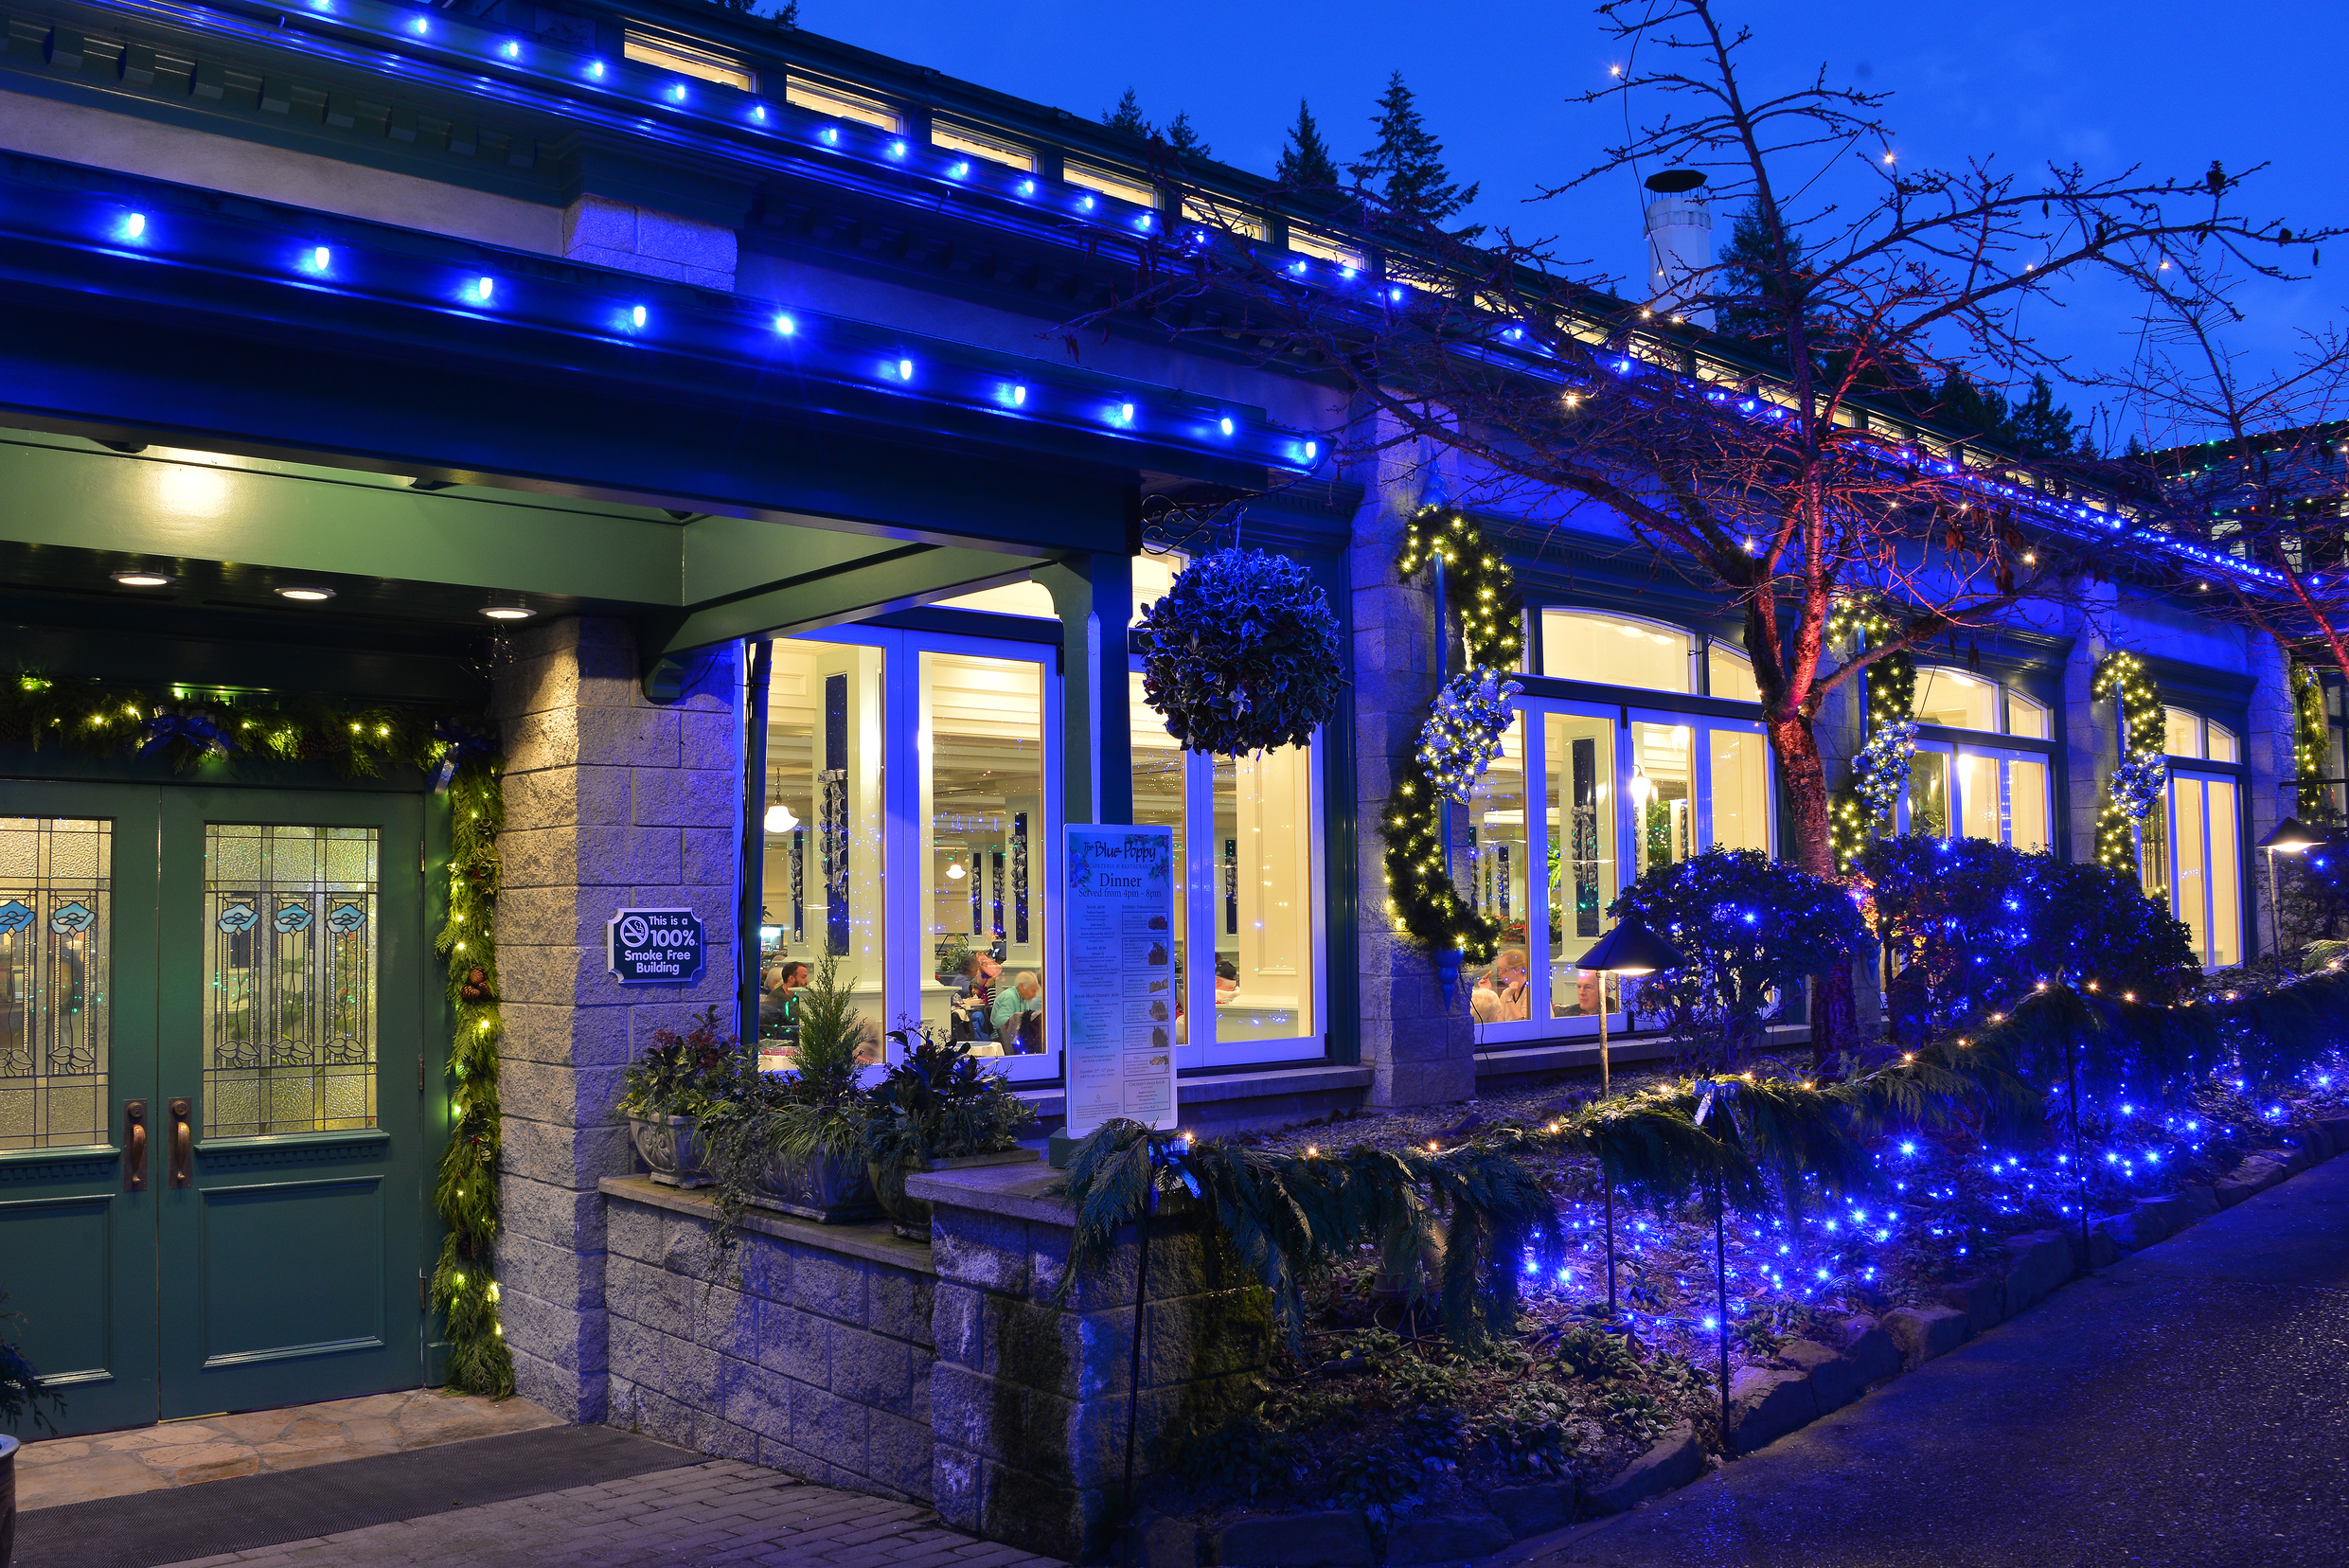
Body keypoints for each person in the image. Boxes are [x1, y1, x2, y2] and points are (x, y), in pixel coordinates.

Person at [1471, 948, 1530, 1024]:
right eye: (1499, 969)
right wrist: (1488, 992)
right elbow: (1497, 1021)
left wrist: (1509, 999)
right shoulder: (1506, 992)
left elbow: (1524, 1024)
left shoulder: (1531, 992)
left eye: (1504, 969)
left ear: (1518, 970)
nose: (1500, 974)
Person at [991, 970, 1043, 1047]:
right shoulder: (1010, 997)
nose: (1035, 995)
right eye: (1032, 991)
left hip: (1013, 1038)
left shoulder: (1023, 998)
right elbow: (999, 1023)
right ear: (1021, 986)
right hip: (1000, 1040)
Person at [757, 961, 810, 1037]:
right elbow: (796, 1021)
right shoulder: (780, 998)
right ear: (791, 979)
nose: (807, 981)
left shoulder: (793, 996)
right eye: (803, 977)